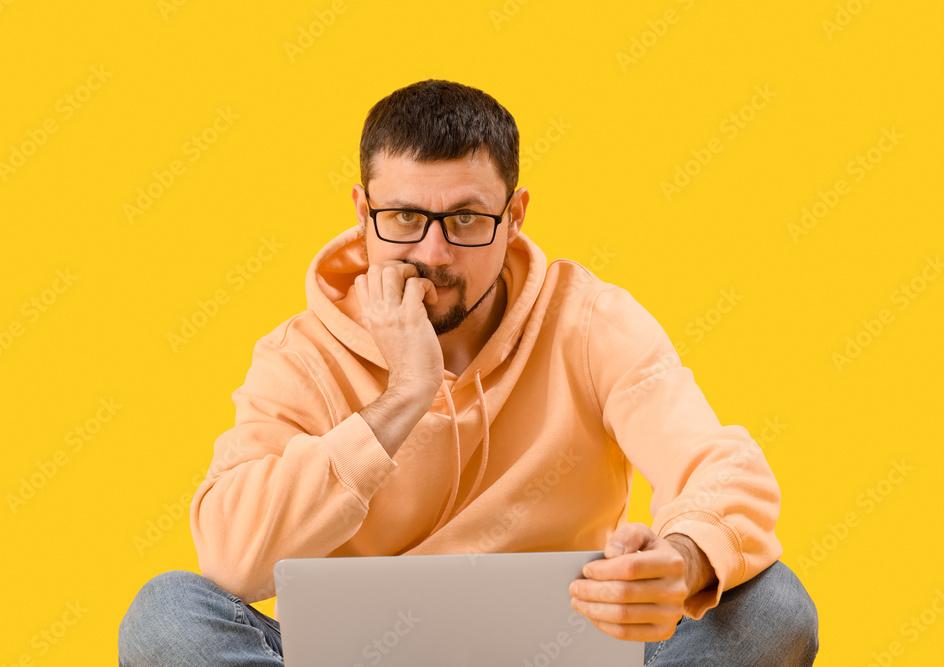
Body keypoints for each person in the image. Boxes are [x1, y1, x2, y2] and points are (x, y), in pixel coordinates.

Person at [119, 79, 819, 665]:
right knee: (167, 617)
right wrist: (402, 399)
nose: (434, 253)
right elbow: (234, 560)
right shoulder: (297, 356)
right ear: (362, 213)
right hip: (357, 660)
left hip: (561, 653)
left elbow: (723, 464)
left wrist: (682, 560)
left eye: (465, 219)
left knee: (771, 605)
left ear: (513, 216)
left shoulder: (591, 320)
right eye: (403, 216)